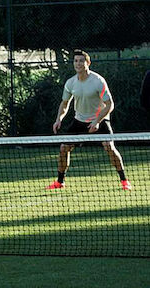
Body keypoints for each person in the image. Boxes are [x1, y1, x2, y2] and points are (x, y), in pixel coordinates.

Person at [46, 49, 131, 191]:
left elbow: (110, 105)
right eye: (76, 61)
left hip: (100, 119)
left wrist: (97, 121)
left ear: (88, 63)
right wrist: (58, 119)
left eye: (81, 61)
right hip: (79, 121)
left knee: (109, 147)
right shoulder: (70, 83)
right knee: (63, 148)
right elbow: (65, 103)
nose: (78, 63)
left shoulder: (98, 81)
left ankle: (124, 180)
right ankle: (60, 182)